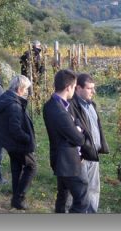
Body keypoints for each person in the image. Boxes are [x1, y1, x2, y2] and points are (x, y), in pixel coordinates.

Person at [43, 69, 89, 213]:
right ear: (68, 87)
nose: (74, 91)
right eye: (74, 87)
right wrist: (79, 132)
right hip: (68, 161)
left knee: (62, 196)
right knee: (82, 200)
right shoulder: (59, 111)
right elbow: (78, 138)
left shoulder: (53, 104)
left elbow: (76, 124)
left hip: (60, 158)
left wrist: (77, 128)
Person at [0, 75, 37, 210]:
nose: (26, 92)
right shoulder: (14, 105)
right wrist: (28, 138)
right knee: (32, 167)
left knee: (16, 168)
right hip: (18, 144)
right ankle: (19, 198)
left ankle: (15, 198)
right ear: (19, 89)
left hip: (8, 142)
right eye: (26, 89)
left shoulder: (5, 99)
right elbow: (15, 129)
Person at [68, 73, 109, 213]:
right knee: (79, 191)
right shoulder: (71, 106)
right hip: (81, 156)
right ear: (78, 88)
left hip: (93, 153)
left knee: (93, 189)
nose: (93, 91)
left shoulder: (92, 105)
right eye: (89, 88)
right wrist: (78, 153)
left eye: (93, 88)